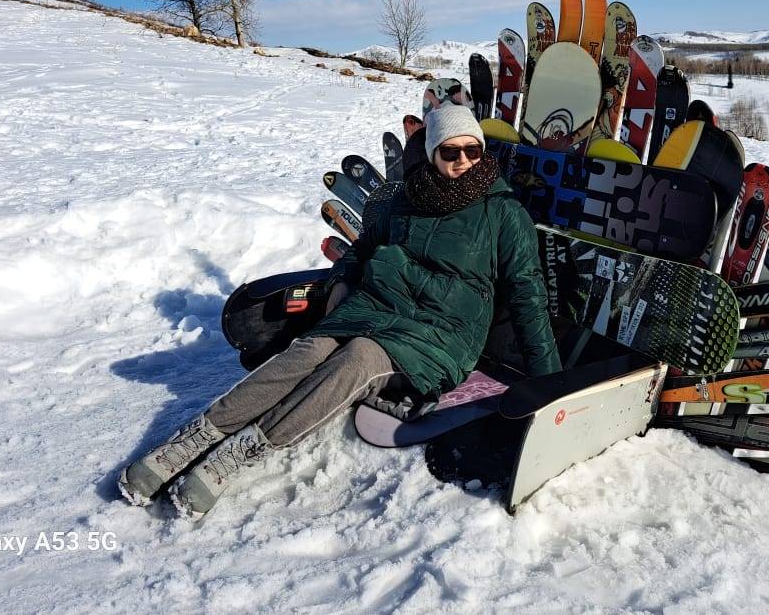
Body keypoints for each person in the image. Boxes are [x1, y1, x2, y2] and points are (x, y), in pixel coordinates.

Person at [118, 104, 561, 519]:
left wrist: (553, 383)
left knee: (358, 359)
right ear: (431, 154)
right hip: (374, 309)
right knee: (307, 352)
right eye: (450, 150)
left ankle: (238, 456)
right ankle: (195, 437)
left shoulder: (504, 215)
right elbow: (362, 249)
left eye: (472, 149)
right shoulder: (406, 201)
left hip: (441, 336)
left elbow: (528, 295)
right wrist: (340, 284)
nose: (462, 159)